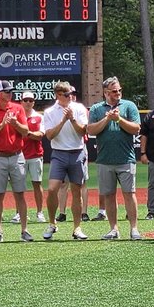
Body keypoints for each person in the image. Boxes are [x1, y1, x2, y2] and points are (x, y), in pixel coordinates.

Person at [88, 77, 142, 240]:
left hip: (126, 158)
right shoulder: (97, 109)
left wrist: (118, 119)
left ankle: (134, 229)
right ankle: (113, 229)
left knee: (129, 193)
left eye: (119, 90)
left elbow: (135, 128)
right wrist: (107, 119)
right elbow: (91, 130)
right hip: (104, 159)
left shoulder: (129, 106)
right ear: (105, 92)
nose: (117, 93)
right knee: (109, 195)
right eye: (114, 91)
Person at [0, 80, 33, 242]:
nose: (9, 94)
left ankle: (24, 230)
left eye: (10, 91)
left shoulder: (17, 109)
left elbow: (26, 131)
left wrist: (15, 123)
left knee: (20, 194)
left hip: (17, 155)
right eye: (6, 91)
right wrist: (2, 125)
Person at [40, 81, 90, 240]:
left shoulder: (79, 108)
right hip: (59, 153)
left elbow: (83, 132)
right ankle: (52, 223)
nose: (70, 97)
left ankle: (77, 228)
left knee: (77, 190)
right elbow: (49, 135)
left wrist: (72, 119)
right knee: (52, 189)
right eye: (67, 94)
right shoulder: (49, 112)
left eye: (71, 94)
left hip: (77, 152)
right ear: (58, 95)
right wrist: (63, 120)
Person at [19, 91, 47, 224]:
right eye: (26, 100)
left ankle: (40, 212)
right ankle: (19, 212)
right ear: (21, 101)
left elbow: (41, 134)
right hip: (19, 155)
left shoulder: (38, 117)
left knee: (37, 183)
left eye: (31, 100)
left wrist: (27, 133)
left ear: (34, 102)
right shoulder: (17, 116)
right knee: (19, 185)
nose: (28, 102)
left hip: (35, 154)